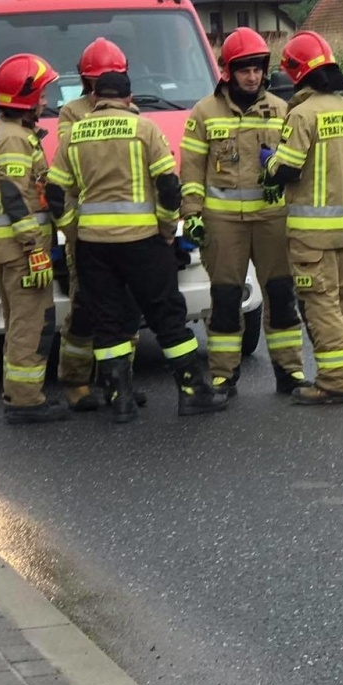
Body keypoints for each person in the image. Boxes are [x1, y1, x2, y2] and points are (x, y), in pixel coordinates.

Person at [45, 69, 216, 422]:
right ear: (128, 98)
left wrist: (73, 232)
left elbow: (55, 193)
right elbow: (168, 186)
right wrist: (167, 230)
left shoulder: (74, 134)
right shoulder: (145, 129)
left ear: (94, 98)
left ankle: (119, 400)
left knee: (107, 321)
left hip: (93, 246)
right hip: (143, 242)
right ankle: (193, 392)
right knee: (167, 316)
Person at [181, 28, 306, 397]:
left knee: (281, 295)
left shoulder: (282, 110)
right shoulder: (204, 112)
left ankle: (290, 371)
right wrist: (192, 213)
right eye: (244, 70)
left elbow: (297, 163)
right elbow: (191, 169)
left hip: (272, 219)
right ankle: (224, 375)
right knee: (225, 298)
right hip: (223, 224)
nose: (252, 77)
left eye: (257, 69)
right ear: (228, 72)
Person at [262, 31, 343, 405]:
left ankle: (335, 382)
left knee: (321, 304)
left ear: (296, 72)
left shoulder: (302, 114)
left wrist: (269, 160)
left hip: (311, 235)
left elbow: (287, 170)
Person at [0, 53, 68, 425]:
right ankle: (25, 401)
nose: (45, 101)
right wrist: (34, 248)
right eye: (41, 94)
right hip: (21, 250)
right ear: (25, 96)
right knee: (32, 323)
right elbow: (15, 197)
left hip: (6, 248)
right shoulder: (14, 139)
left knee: (19, 322)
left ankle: (19, 394)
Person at [51, 36, 138, 412]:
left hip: (129, 228)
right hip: (85, 229)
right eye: (95, 80)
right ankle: (75, 380)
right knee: (85, 305)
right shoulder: (71, 114)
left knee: (127, 307)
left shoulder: (133, 112)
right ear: (85, 81)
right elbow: (73, 159)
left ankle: (119, 380)